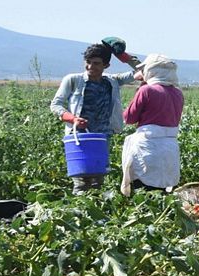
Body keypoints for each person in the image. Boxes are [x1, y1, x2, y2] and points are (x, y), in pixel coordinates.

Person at [50, 44, 136, 194]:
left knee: (98, 181)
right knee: (81, 181)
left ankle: (94, 213)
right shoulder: (73, 80)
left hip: (101, 138)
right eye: (88, 62)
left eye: (96, 63)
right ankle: (78, 214)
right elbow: (56, 105)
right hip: (79, 137)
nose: (90, 66)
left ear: (106, 65)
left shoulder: (111, 81)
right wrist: (73, 119)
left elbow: (142, 70)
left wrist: (123, 56)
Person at [119, 54, 184, 196]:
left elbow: (129, 118)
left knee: (143, 192)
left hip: (147, 147)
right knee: (162, 193)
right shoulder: (178, 93)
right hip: (169, 149)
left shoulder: (147, 90)